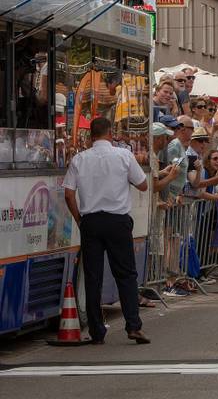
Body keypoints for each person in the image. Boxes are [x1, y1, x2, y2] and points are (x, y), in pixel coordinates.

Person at [63, 117, 150, 345]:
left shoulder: (79, 159)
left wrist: (79, 219)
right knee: (126, 274)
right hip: (117, 221)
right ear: (110, 133)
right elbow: (143, 185)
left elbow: (69, 195)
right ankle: (133, 326)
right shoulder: (123, 155)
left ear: (90, 136)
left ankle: (96, 331)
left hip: (90, 222)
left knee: (93, 277)